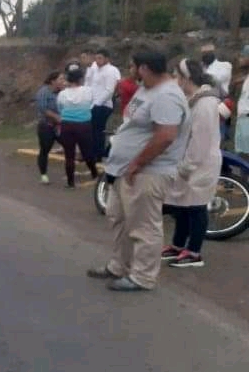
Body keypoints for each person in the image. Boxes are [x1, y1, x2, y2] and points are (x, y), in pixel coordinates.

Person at [87, 50, 190, 292]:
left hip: (148, 172)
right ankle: (119, 266)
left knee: (144, 226)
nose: (130, 71)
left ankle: (142, 276)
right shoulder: (147, 88)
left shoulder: (167, 95)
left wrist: (137, 163)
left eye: (133, 66)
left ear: (144, 68)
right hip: (125, 170)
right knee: (119, 218)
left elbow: (165, 135)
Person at [162, 58, 222, 269]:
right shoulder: (194, 99)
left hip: (200, 163)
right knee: (183, 206)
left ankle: (194, 252)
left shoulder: (205, 103)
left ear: (187, 78)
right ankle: (178, 246)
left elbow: (200, 140)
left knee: (196, 207)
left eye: (178, 76)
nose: (175, 80)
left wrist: (187, 165)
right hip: (189, 161)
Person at [55, 62, 100, 188]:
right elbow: (92, 104)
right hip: (83, 125)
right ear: (81, 79)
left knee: (69, 155)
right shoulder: (87, 91)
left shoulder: (62, 94)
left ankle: (70, 182)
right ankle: (94, 174)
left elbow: (60, 108)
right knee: (87, 152)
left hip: (67, 125)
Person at [89, 49, 122, 161]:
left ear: (107, 59)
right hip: (92, 103)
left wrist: (97, 104)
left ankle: (98, 155)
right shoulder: (95, 69)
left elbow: (109, 90)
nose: (97, 61)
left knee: (98, 130)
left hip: (103, 105)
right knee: (93, 130)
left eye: (100, 58)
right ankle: (93, 153)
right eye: (96, 58)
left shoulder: (111, 70)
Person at [35, 71, 66, 184]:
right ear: (53, 81)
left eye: (64, 79)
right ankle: (43, 175)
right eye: (61, 79)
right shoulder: (43, 92)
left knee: (69, 146)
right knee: (45, 150)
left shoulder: (62, 93)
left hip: (59, 126)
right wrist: (57, 117)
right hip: (46, 126)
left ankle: (70, 172)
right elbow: (43, 109)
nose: (64, 82)